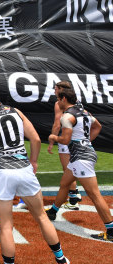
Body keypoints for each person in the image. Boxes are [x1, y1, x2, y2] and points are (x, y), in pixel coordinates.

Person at [0, 92, 70, 264]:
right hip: (23, 168)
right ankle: (62, 261)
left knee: (6, 226)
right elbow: (34, 138)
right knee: (41, 216)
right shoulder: (15, 111)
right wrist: (33, 161)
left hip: (1, 173)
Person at [46, 88, 113, 241]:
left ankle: (111, 230)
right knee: (65, 184)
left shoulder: (67, 117)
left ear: (63, 99)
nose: (57, 102)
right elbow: (98, 126)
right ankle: (53, 211)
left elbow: (65, 140)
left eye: (58, 99)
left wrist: (54, 137)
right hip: (83, 155)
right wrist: (86, 142)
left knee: (94, 195)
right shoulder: (85, 113)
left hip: (81, 158)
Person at [47, 81, 83, 210]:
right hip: (78, 138)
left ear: (61, 89)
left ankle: (73, 198)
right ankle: (74, 194)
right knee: (72, 167)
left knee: (68, 168)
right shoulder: (77, 101)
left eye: (56, 88)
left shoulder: (59, 103)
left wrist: (52, 141)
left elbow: (57, 124)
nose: (54, 91)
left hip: (67, 138)